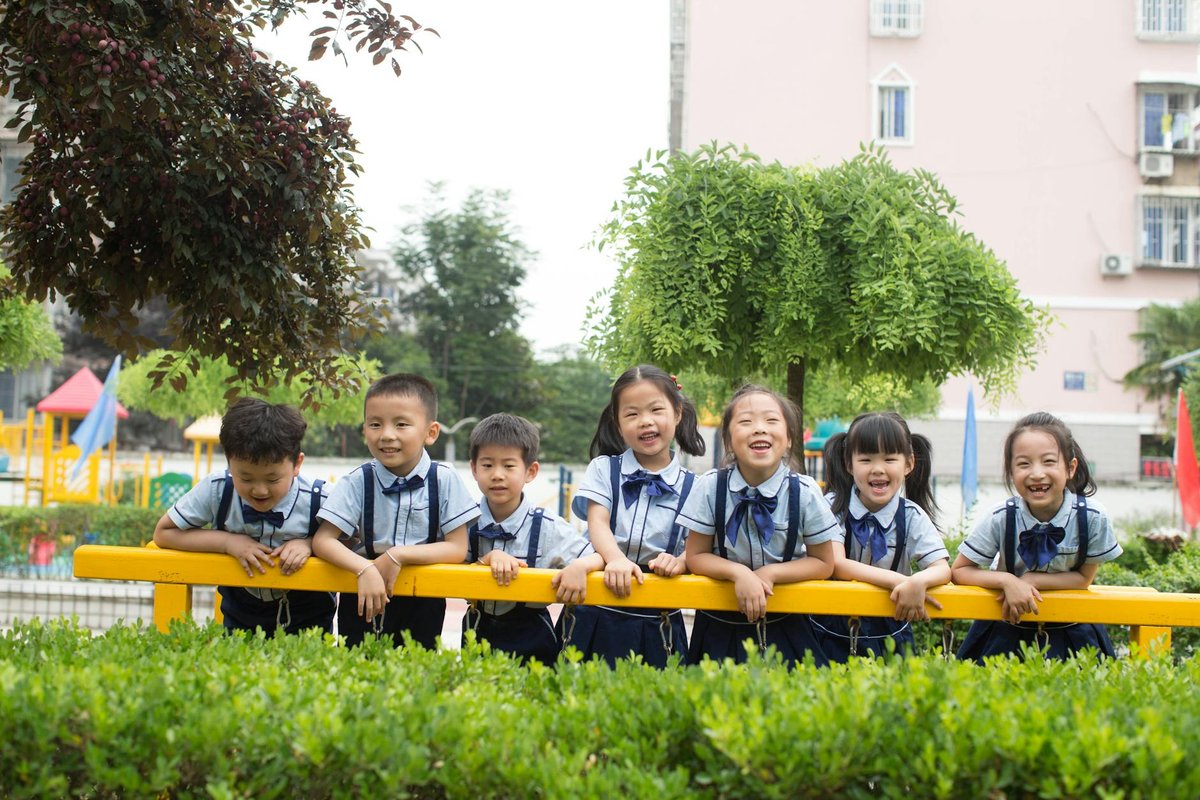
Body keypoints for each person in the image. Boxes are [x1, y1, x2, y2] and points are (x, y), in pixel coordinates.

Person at [311, 373, 478, 648]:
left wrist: (398, 555)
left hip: (423, 600)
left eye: (401, 424)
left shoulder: (444, 480)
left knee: (416, 678)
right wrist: (364, 569)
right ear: (364, 429)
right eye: (375, 424)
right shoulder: (357, 481)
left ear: (431, 432)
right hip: (362, 596)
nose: (386, 435)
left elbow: (457, 548)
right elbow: (323, 540)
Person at [679, 384, 839, 667]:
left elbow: (823, 562)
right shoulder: (710, 487)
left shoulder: (805, 491)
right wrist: (738, 573)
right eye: (746, 421)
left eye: (771, 420)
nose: (759, 428)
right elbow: (696, 556)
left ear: (789, 438)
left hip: (789, 624)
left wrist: (770, 573)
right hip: (718, 624)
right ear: (728, 440)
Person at [560, 365, 706, 666]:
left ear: (677, 413)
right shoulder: (604, 469)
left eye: (656, 409)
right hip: (595, 609)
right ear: (617, 422)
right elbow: (597, 522)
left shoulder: (697, 486)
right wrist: (615, 559)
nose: (646, 421)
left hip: (659, 618)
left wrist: (679, 561)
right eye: (632, 414)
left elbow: (698, 546)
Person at [153, 398, 334, 635]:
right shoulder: (218, 490)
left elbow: (353, 540)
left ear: (297, 463)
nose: (259, 490)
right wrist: (228, 542)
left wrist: (312, 544)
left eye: (272, 479)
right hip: (240, 613)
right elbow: (164, 533)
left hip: (309, 615)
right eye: (245, 478)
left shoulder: (319, 497)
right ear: (229, 462)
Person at [952, 411, 1122, 661]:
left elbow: (1083, 579)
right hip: (1006, 632)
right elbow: (959, 571)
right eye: (1024, 464)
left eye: (1049, 461)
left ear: (1070, 467)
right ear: (1011, 471)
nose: (1036, 473)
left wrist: (1032, 580)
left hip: (1073, 632)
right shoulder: (1001, 517)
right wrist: (1009, 581)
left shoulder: (1092, 518)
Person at [463, 413, 603, 664]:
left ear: (531, 471)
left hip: (532, 636)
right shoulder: (464, 523)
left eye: (508, 466)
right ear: (473, 468)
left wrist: (580, 566)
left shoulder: (548, 527)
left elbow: (598, 555)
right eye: (487, 465)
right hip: (476, 629)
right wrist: (485, 559)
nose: (497, 474)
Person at [811, 412, 950, 660]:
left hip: (892, 627)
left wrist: (918, 582)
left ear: (908, 464)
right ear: (848, 464)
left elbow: (942, 568)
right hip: (833, 625)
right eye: (865, 459)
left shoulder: (911, 516)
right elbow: (838, 564)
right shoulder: (832, 506)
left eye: (889, 459)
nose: (877, 469)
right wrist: (899, 581)